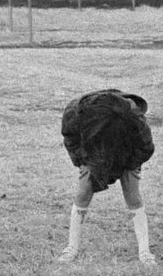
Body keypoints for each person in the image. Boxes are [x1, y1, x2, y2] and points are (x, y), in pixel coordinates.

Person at [59, 87, 156, 263]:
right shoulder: (75, 114)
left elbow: (146, 147)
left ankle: (145, 252)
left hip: (127, 154)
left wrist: (131, 164)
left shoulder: (133, 117)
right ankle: (71, 248)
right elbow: (71, 139)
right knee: (83, 194)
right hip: (92, 154)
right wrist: (83, 161)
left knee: (133, 197)